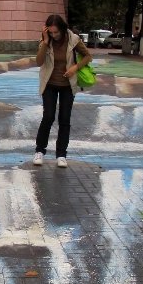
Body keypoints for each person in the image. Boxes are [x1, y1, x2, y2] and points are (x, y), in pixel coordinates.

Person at [34, 14, 93, 168]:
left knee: (64, 119)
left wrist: (75, 67)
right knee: (48, 117)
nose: (54, 35)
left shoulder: (73, 39)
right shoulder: (46, 40)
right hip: (49, 84)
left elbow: (88, 56)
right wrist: (45, 42)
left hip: (68, 85)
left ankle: (61, 155)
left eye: (56, 32)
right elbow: (39, 62)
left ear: (62, 28)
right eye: (51, 32)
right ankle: (39, 151)